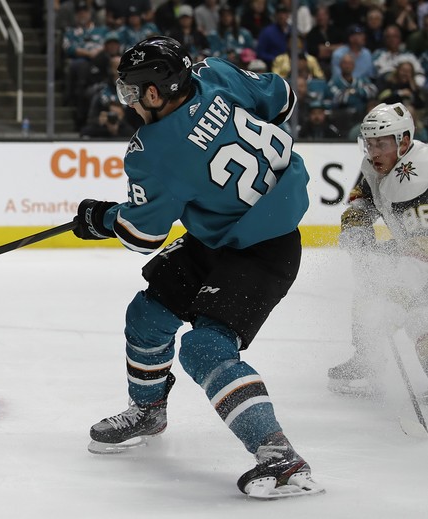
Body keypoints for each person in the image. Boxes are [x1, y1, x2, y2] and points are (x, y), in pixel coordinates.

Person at [71, 36, 323, 498]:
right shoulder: (215, 73)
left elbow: (141, 235)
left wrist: (99, 218)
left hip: (263, 249)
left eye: (131, 91)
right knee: (146, 316)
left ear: (155, 92)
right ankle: (148, 410)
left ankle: (279, 456)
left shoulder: (153, 151)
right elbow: (281, 97)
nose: (127, 101)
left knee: (205, 348)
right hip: (220, 236)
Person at [329, 103, 428, 395]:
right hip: (412, 251)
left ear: (404, 142)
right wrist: (356, 229)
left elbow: (420, 248)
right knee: (369, 293)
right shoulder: (376, 167)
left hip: (421, 254)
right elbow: (363, 201)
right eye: (369, 143)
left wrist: (388, 271)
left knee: (419, 317)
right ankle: (368, 360)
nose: (373, 152)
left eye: (381, 144)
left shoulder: (420, 171)